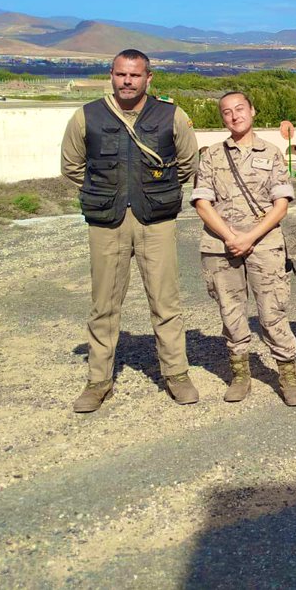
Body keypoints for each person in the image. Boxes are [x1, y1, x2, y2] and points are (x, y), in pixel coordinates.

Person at [60, 49, 199, 412]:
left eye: (135, 76)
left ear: (148, 78)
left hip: (156, 221)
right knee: (104, 305)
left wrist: (155, 192)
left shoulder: (171, 115)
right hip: (107, 223)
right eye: (121, 74)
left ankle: (177, 375)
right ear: (111, 75)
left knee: (165, 302)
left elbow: (187, 162)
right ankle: (98, 381)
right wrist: (108, 194)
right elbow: (72, 166)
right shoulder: (86, 116)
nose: (127, 81)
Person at [192, 91, 296, 406]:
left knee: (272, 313)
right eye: (226, 112)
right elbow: (202, 202)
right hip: (220, 246)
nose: (234, 115)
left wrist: (249, 237)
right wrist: (230, 236)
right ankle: (241, 374)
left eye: (240, 109)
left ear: (253, 111)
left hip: (264, 245)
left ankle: (287, 374)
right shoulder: (212, 155)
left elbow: (280, 205)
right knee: (231, 313)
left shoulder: (271, 154)